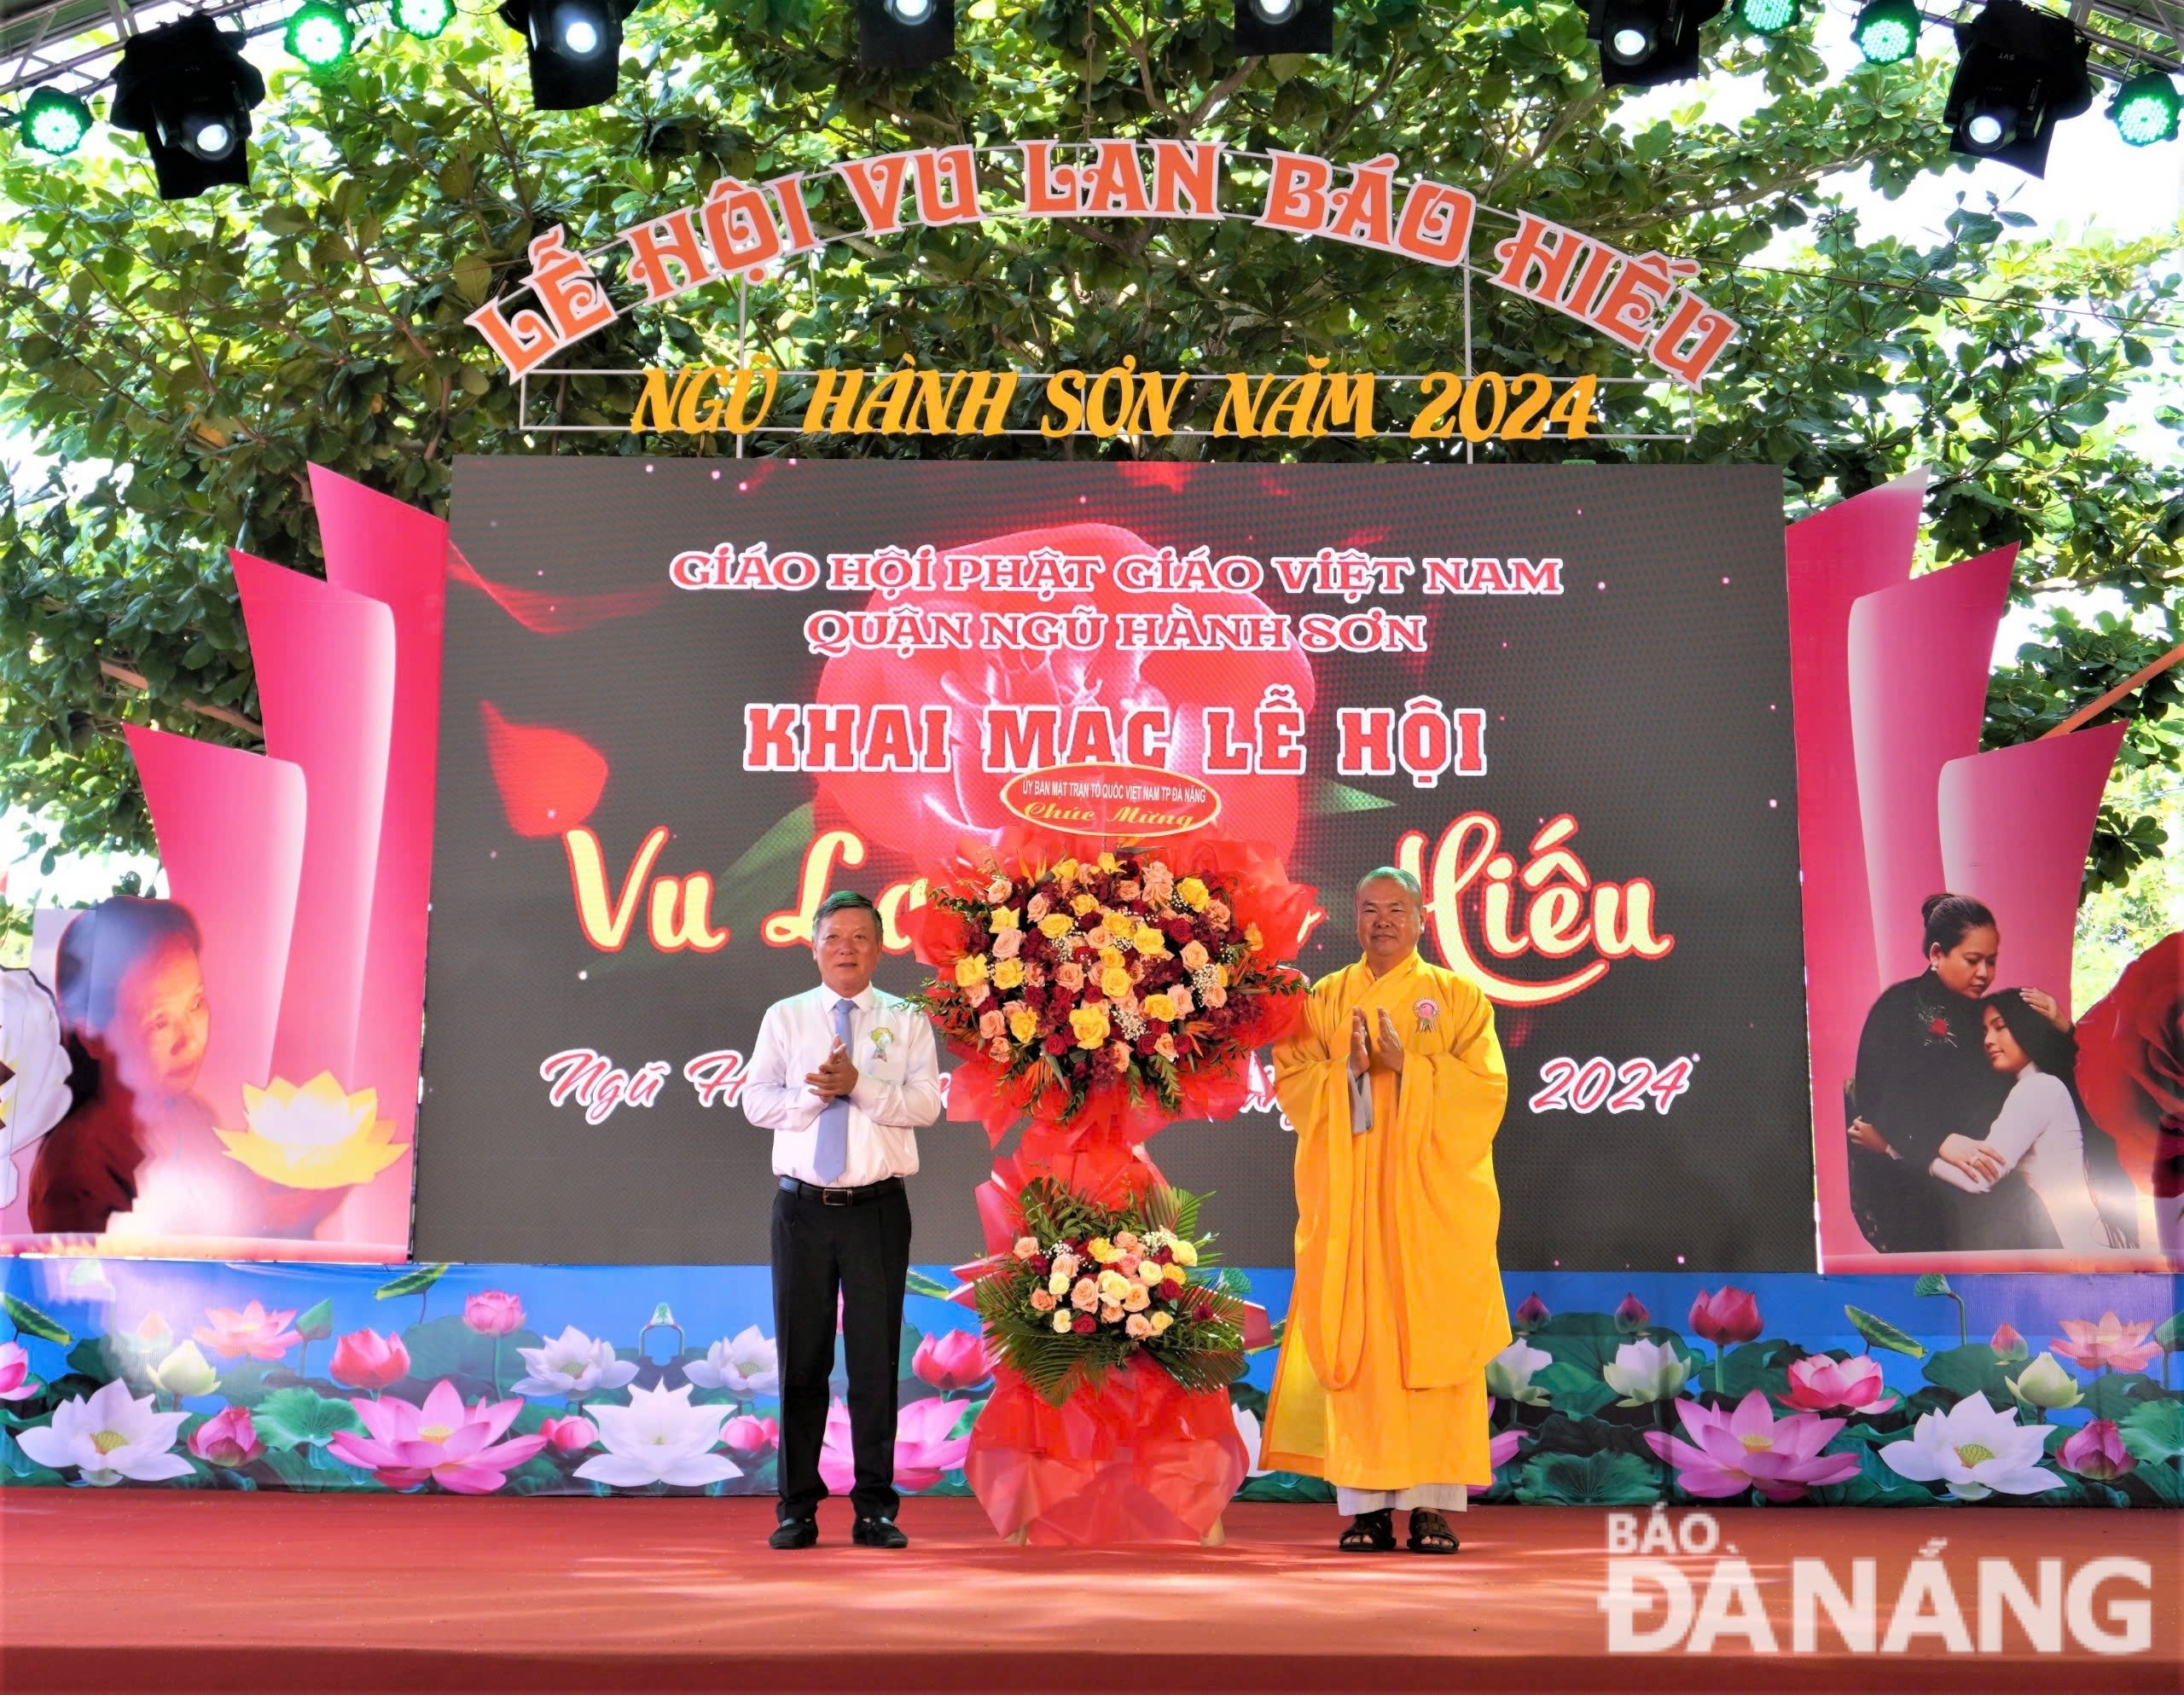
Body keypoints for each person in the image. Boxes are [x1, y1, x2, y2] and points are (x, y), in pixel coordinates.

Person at [1259, 866, 1509, 1555]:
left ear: (1423, 917)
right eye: (1369, 909)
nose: (1382, 922)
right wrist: (1347, 1072)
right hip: (1352, 1209)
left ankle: (1433, 1505)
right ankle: (1366, 1505)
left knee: (1431, 1340)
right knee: (1364, 1343)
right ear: (1356, 920)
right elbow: (1294, 1081)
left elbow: (1486, 1094)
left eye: (1396, 909)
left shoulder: (1458, 997)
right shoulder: (1324, 997)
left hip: (1431, 1212)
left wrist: (1412, 1067)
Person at [743, 890, 942, 1550]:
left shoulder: (907, 1018)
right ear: (815, 947)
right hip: (800, 1208)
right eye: (835, 937)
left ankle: (875, 1508)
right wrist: (813, 1092)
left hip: (877, 1210)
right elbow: (755, 1101)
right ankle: (796, 1507)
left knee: (874, 1362)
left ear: (879, 948)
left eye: (860, 937)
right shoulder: (785, 1016)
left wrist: (858, 1082)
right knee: (801, 1363)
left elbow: (926, 1107)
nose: (847, 948)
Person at [1845, 892, 2070, 1255]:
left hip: (1992, 1182)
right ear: (1937, 954)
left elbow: (2043, 1075)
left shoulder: (1989, 1013)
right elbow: (1875, 1100)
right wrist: (1937, 1141)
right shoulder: (1896, 1008)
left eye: (1991, 962)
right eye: (1972, 960)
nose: (1984, 973)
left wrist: (2062, 1027)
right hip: (1920, 1188)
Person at [1927, 991, 2140, 1254]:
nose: (1989, 1040)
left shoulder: (2038, 1089)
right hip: (2076, 1245)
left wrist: (1910, 1149)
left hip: (2066, 1250)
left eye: (2000, 1027)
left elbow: (1980, 1179)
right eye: (1984, 1031)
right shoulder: (2047, 1086)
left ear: (2026, 1027)